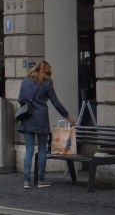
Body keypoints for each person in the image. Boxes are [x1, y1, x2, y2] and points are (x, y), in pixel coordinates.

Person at [17, 61, 73, 190]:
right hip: (41, 118)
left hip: (27, 117)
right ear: (48, 71)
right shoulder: (47, 83)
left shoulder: (25, 81)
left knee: (29, 150)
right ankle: (40, 180)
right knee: (42, 149)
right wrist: (67, 116)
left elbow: (20, 99)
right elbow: (56, 103)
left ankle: (26, 181)